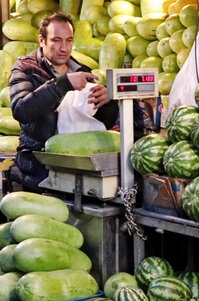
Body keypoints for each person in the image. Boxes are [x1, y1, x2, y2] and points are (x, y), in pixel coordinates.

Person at [8, 11, 119, 190]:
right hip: (38, 172)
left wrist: (108, 102)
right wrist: (63, 84)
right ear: (42, 41)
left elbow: (101, 123)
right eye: (56, 40)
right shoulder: (25, 68)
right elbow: (21, 110)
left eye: (69, 40)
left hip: (78, 172)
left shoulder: (83, 71)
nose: (64, 48)